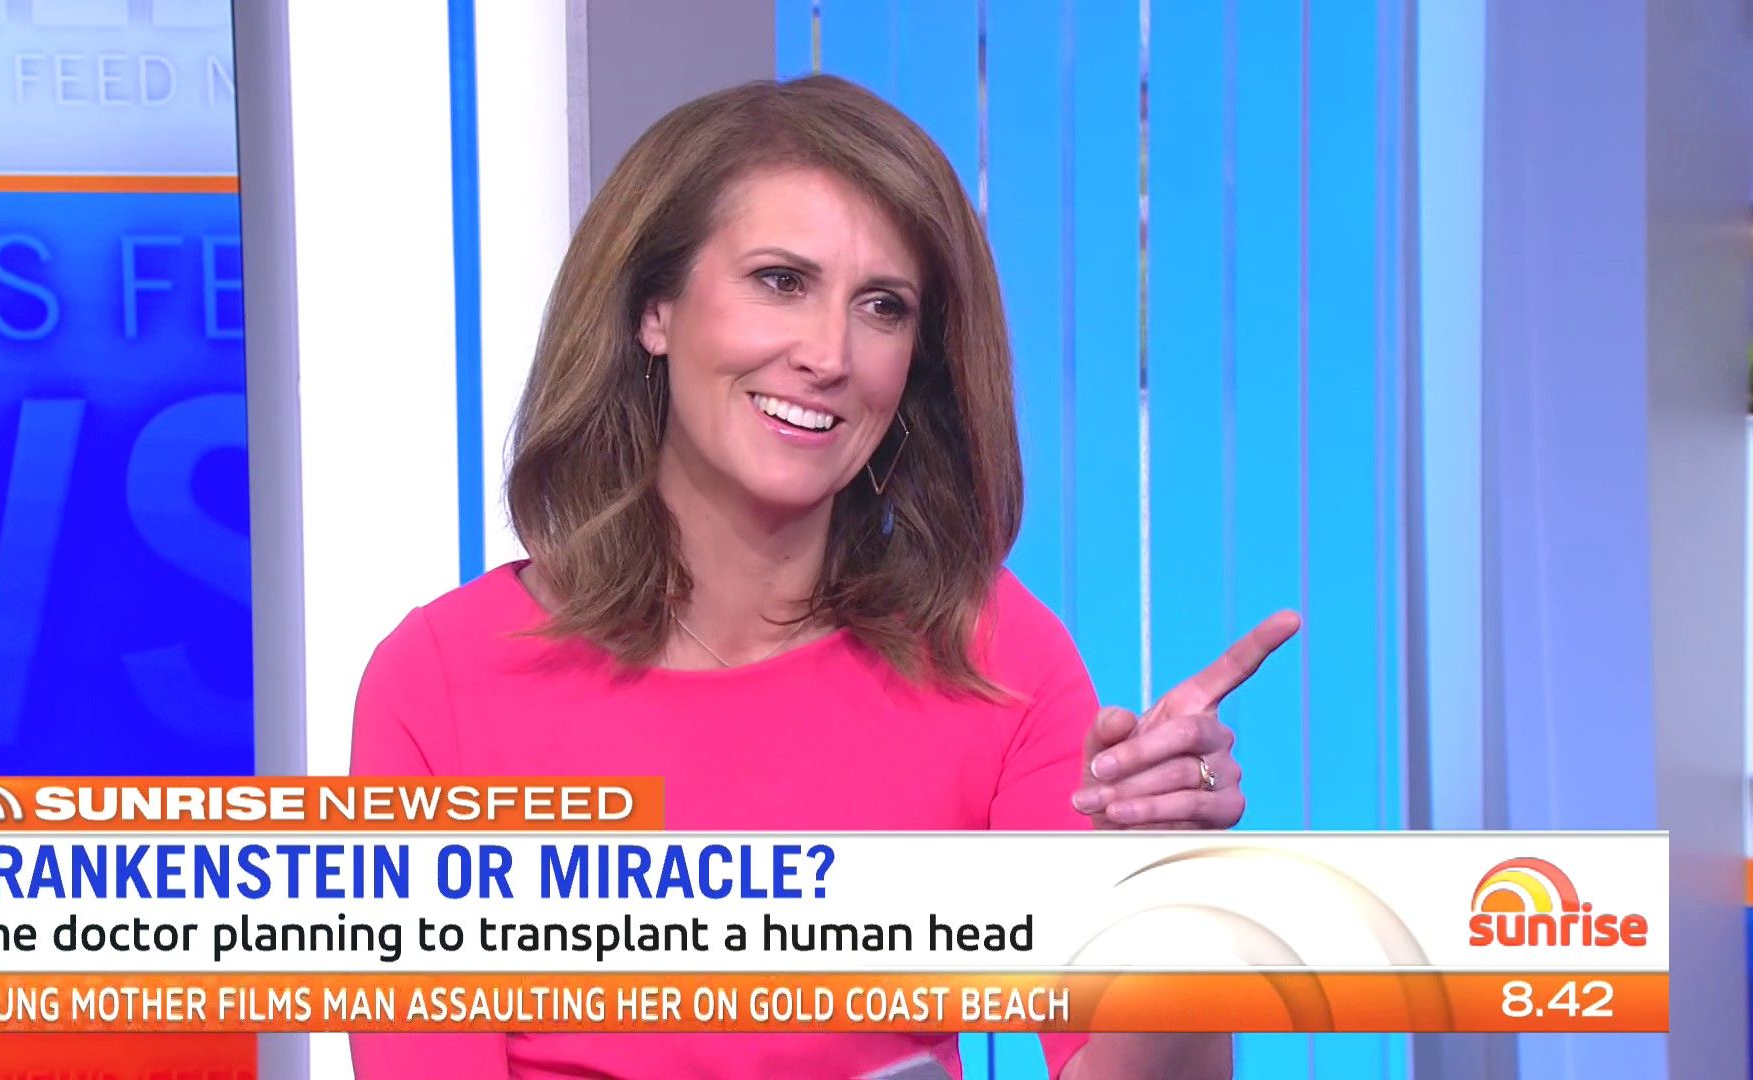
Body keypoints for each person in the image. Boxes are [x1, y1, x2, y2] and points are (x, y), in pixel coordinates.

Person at [350, 74, 1297, 1080]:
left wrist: (1168, 886)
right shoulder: (439, 682)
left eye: (882, 307)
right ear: (655, 310)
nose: (829, 354)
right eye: (780, 281)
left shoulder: (991, 654)